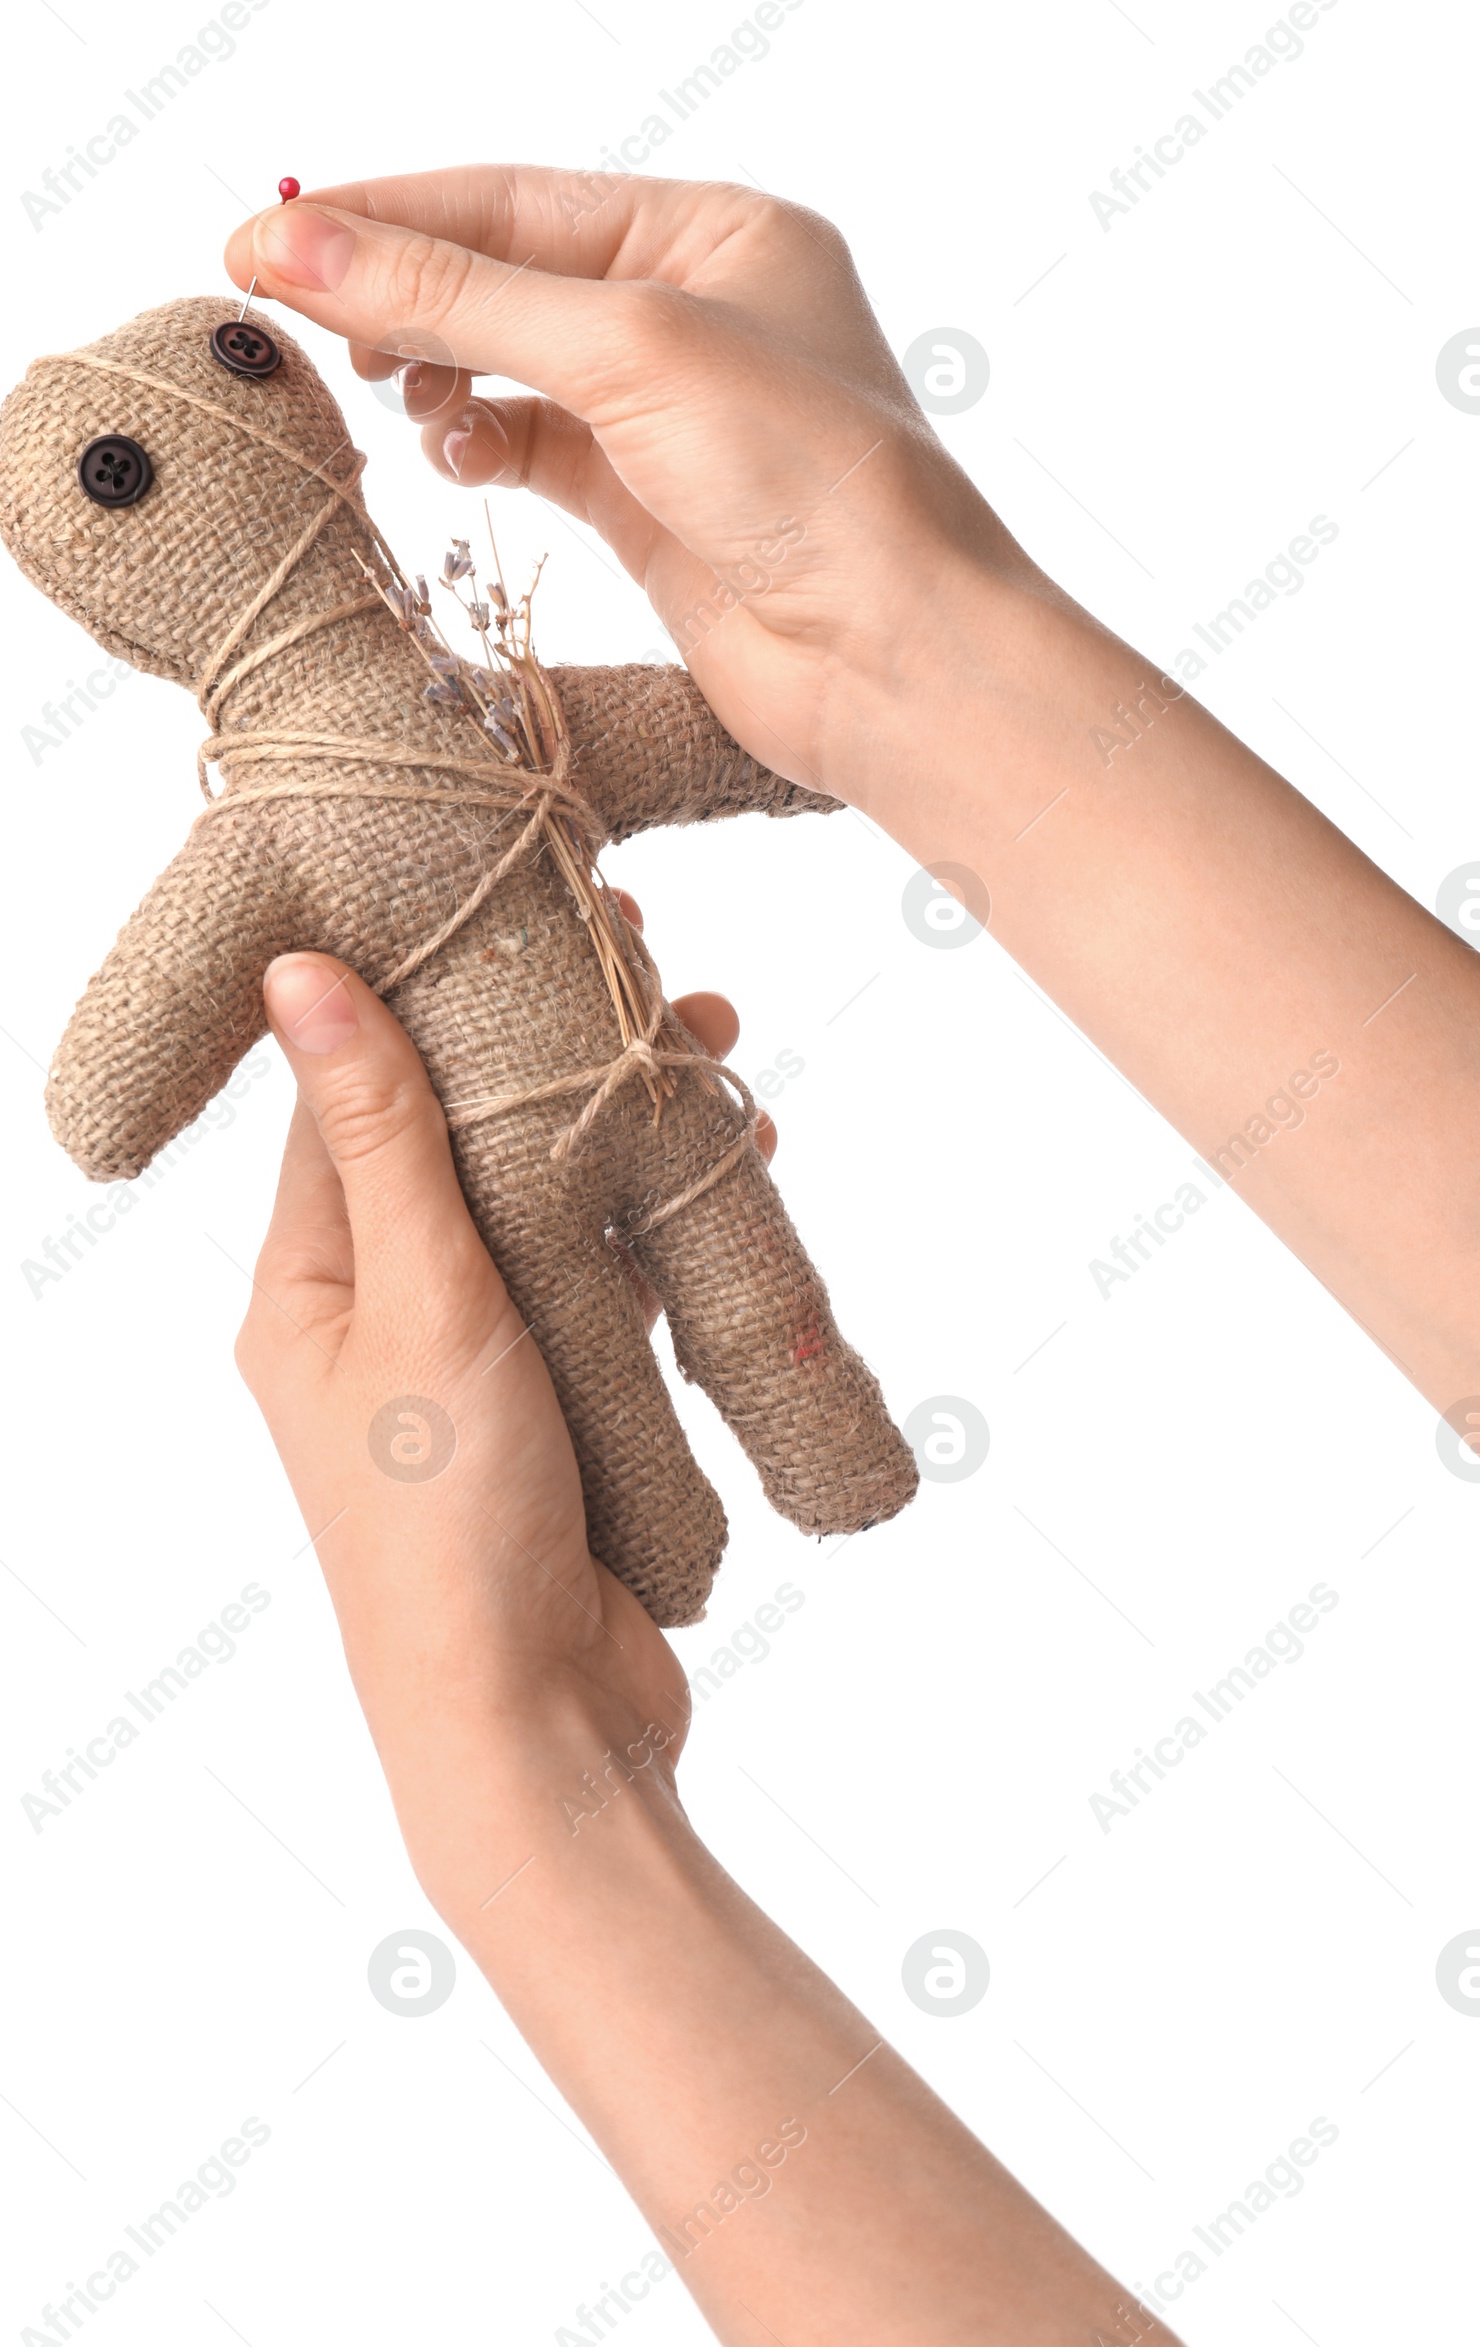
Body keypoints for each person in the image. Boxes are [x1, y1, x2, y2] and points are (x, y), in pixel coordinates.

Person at [222, 166, 1477, 2343]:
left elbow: (113, 1066)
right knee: (687, 1258)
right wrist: (904, 657)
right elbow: (128, 1041)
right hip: (641, 1068)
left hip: (648, 1108)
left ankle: (805, 1457)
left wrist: (520, 1794)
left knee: (718, 1244)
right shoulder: (335, 787)